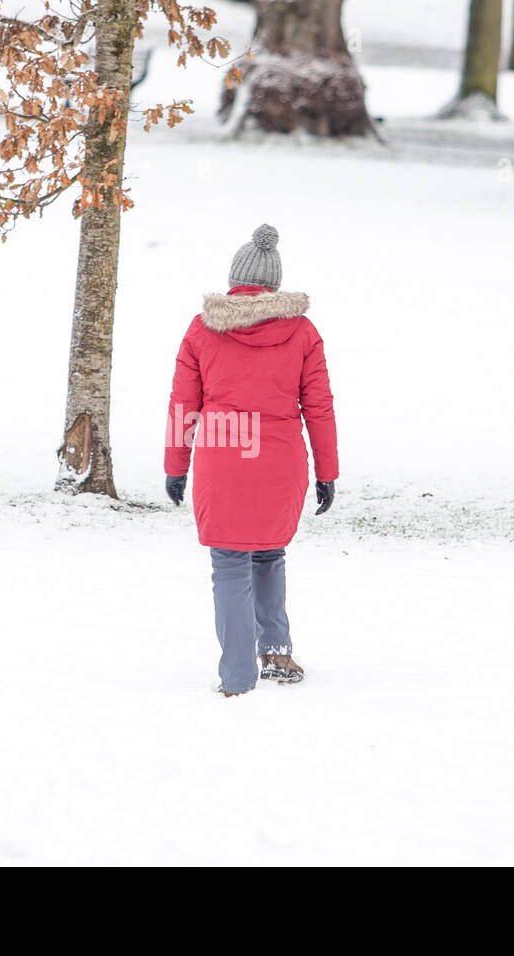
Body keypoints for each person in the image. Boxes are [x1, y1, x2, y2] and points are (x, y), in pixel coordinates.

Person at [163, 224, 339, 697]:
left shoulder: (203, 329)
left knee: (230, 565)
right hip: (281, 462)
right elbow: (319, 406)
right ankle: (276, 651)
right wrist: (327, 472)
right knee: (269, 555)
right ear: (274, 284)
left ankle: (237, 676)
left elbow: (184, 404)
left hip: (225, 457)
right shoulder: (302, 332)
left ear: (234, 279)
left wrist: (175, 465)